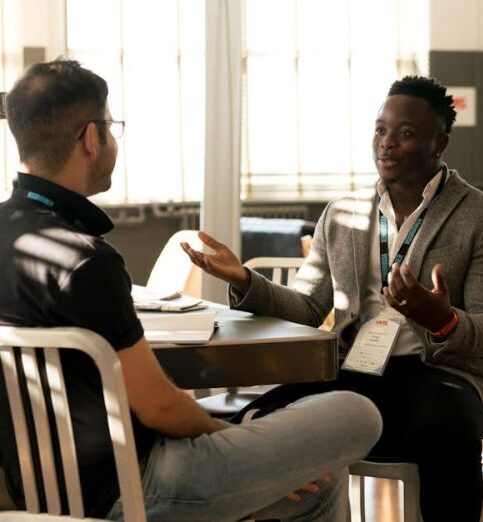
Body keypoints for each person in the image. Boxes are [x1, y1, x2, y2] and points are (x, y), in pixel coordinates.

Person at [0, 58, 382, 522]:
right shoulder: (86, 261)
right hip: (134, 488)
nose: (113, 139)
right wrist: (228, 437)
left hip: (35, 490)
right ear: (90, 138)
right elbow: (159, 406)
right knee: (356, 412)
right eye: (112, 126)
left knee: (319, 479)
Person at [182, 76, 483, 522]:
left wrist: (441, 319)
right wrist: (247, 280)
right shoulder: (342, 213)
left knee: (447, 424)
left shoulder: (479, 215)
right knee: (263, 414)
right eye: (380, 130)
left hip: (440, 374)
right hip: (356, 369)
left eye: (405, 133)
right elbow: (308, 307)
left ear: (438, 143)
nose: (386, 143)